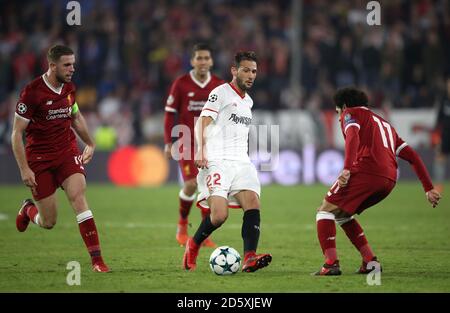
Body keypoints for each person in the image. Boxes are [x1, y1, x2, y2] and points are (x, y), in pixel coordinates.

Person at [314, 87, 442, 276]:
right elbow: (413, 156)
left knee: (325, 211)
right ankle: (370, 261)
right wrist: (428, 188)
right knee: (342, 214)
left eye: (337, 111)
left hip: (367, 171)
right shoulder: (386, 125)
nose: (339, 116)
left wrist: (347, 168)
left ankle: (331, 263)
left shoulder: (351, 113)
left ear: (344, 106)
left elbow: (352, 136)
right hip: (389, 180)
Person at [11, 44, 110, 273]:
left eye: (73, 64)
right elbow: (16, 133)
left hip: (66, 152)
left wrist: (91, 142)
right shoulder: (32, 92)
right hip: (39, 158)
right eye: (67, 65)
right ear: (52, 65)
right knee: (49, 222)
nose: (72, 68)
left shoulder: (69, 88)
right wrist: (25, 169)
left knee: (78, 197)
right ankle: (27, 210)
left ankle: (97, 260)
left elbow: (75, 117)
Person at [182, 51, 272, 272]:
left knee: (253, 202)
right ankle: (193, 245)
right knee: (219, 216)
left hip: (241, 161)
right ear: (234, 70)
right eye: (246, 70)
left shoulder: (248, 101)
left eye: (254, 71)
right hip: (217, 160)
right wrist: (201, 150)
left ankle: (250, 256)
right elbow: (202, 121)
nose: (251, 75)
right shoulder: (220, 93)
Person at [164, 43, 223, 247]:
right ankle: (182, 225)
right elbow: (170, 114)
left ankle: (203, 235)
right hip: (186, 141)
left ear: (212, 61)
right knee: (190, 185)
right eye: (199, 58)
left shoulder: (219, 85)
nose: (203, 62)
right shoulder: (181, 84)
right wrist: (167, 142)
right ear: (192, 61)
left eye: (207, 58)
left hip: (211, 144)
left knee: (208, 189)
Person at [433, 77, 450, 193]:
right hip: (446, 135)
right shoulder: (444, 100)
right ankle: (439, 185)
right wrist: (437, 137)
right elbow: (438, 121)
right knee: (440, 158)